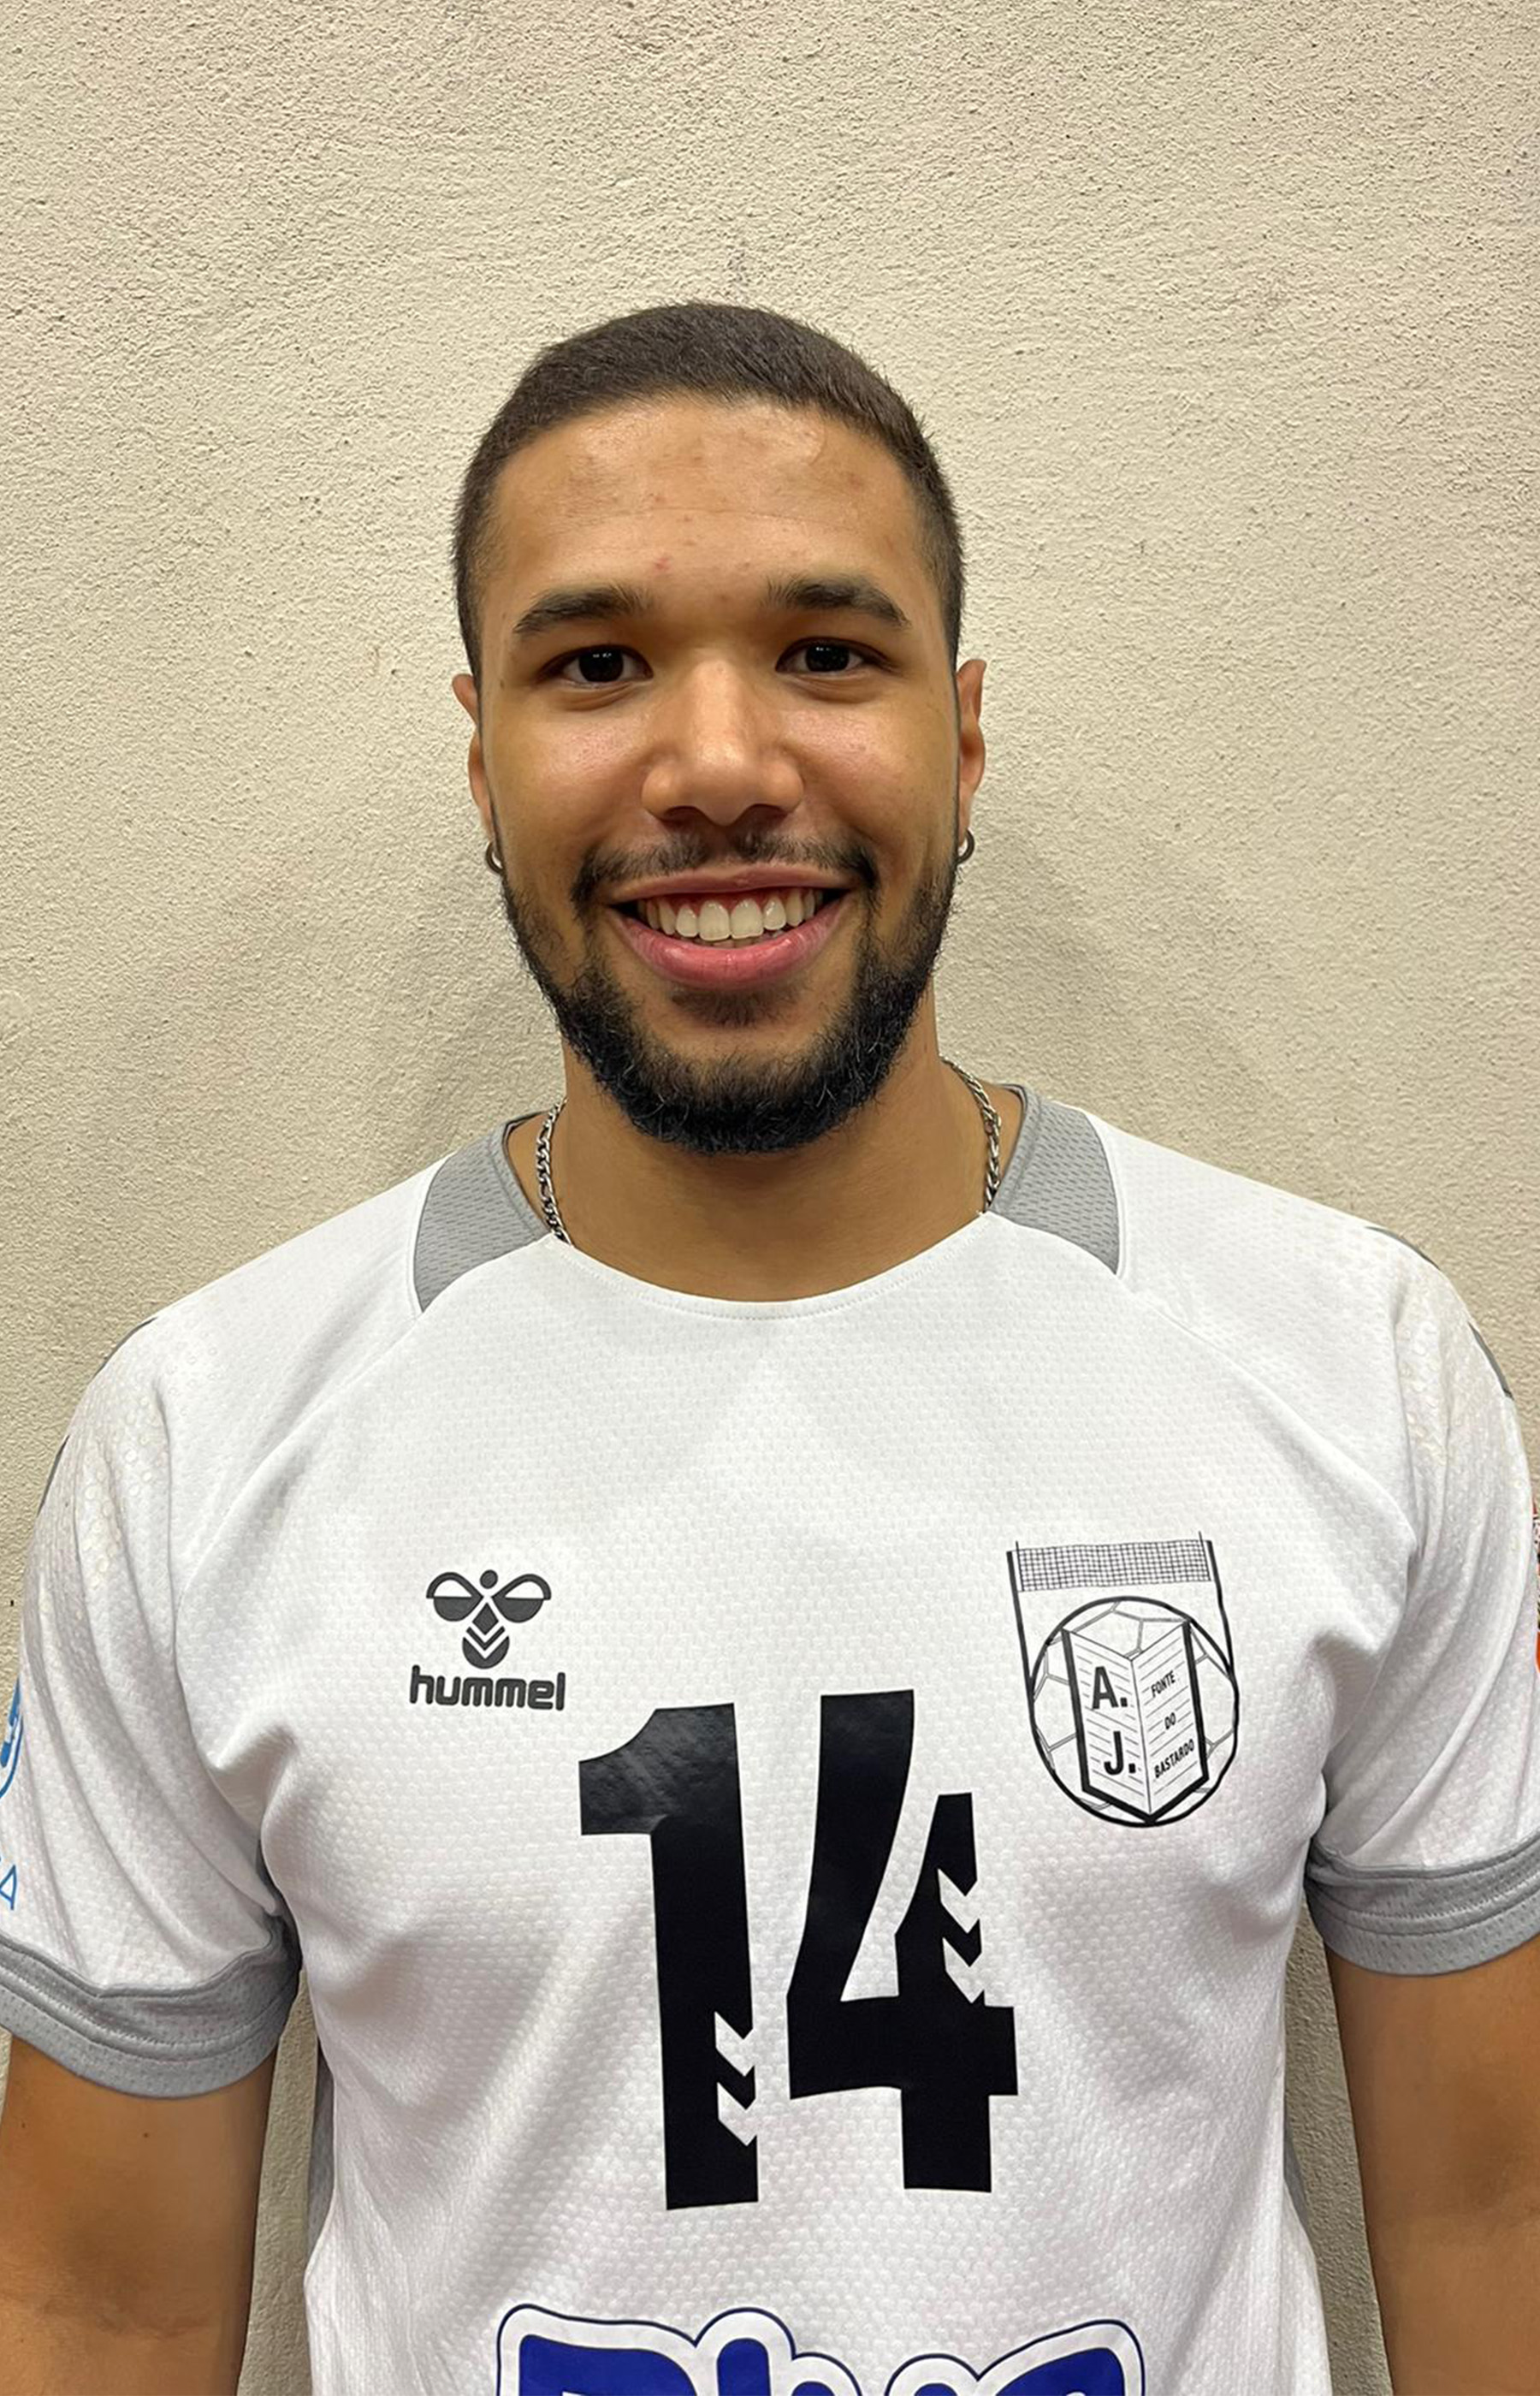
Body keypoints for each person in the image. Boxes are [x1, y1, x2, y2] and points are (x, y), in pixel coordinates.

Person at [1, 300, 1537, 2396]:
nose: (721, 764)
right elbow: (100, 2300)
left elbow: (1486, 2208)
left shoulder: (1353, 1368)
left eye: (826, 651)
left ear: (961, 736)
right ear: (483, 756)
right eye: (596, 664)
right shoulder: (205, 1443)